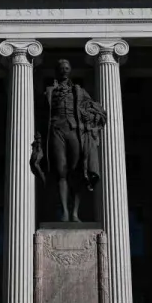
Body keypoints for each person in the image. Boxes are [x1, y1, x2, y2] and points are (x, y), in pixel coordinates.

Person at [40, 58, 105, 222]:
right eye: (61, 68)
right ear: (57, 71)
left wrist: (92, 120)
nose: (64, 70)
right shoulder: (49, 92)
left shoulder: (80, 92)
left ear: (70, 71)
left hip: (75, 130)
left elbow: (98, 112)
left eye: (67, 68)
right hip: (56, 130)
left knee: (77, 171)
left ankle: (75, 213)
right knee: (61, 170)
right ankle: (64, 212)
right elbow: (40, 118)